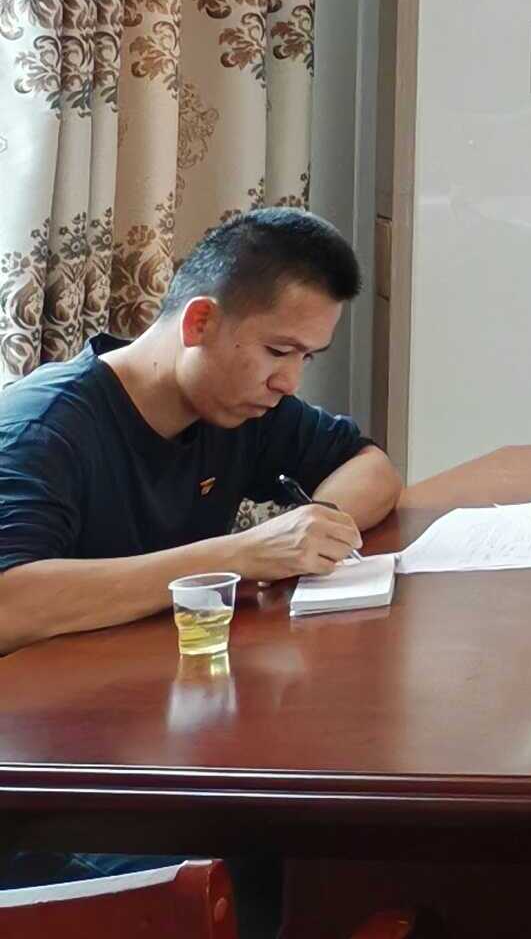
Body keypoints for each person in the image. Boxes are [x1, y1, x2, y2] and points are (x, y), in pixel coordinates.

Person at [0, 208, 391, 656]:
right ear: (199, 322)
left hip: (171, 676)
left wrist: (317, 528)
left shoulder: (242, 406)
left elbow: (371, 467)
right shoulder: (40, 431)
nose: (289, 382)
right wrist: (238, 556)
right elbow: (8, 607)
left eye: (306, 357)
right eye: (278, 350)